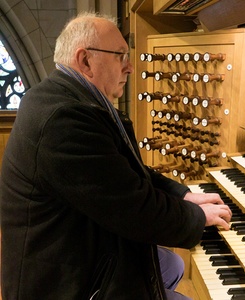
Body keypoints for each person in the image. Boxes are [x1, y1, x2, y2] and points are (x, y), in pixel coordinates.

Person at [0, 12, 232, 300]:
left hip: (81, 244)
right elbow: (135, 210)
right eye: (120, 55)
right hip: (62, 280)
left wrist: (183, 196)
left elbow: (123, 172)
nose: (131, 68)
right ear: (85, 60)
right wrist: (196, 217)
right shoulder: (65, 120)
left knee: (170, 265)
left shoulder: (68, 98)